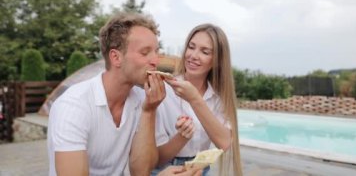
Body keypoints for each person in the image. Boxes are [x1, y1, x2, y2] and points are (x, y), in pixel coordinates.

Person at [47, 12, 199, 176]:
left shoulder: (143, 100)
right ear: (116, 57)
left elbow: (141, 171)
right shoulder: (74, 106)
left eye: (156, 51)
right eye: (145, 52)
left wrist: (149, 111)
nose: (156, 60)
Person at [152, 24, 243, 176]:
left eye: (205, 51)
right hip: (164, 171)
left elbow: (225, 142)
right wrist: (181, 137)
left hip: (199, 170)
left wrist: (194, 99)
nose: (193, 55)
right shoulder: (164, 91)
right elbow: (156, 159)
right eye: (191, 47)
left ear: (217, 61)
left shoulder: (218, 98)